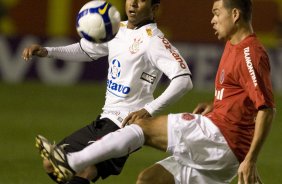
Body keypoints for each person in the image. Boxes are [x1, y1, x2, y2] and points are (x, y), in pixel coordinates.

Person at [37, 0, 276, 183]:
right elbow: (240, 97)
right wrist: (215, 105)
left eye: (216, 13)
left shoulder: (249, 52)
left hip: (222, 138)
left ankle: (73, 161)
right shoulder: (233, 46)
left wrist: (251, 158)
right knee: (149, 179)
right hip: (226, 155)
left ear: (235, 14)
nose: (212, 20)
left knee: (141, 127)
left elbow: (265, 107)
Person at [22, 0, 193, 183]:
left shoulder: (154, 40)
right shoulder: (116, 29)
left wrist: (149, 109)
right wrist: (47, 51)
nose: (133, 4)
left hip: (125, 125)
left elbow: (184, 80)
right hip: (105, 119)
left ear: (154, 8)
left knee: (80, 170)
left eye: (141, 0)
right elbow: (86, 50)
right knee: (53, 164)